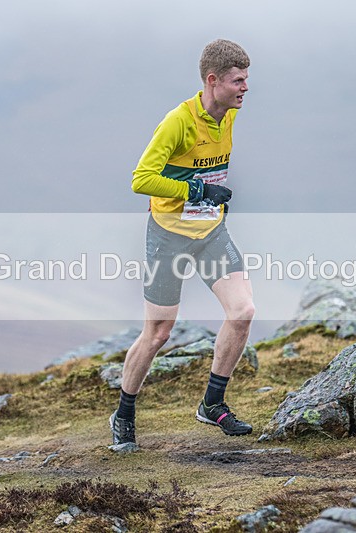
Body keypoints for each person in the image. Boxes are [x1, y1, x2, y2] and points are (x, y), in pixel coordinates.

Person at [109, 39, 254, 446]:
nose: (245, 88)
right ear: (213, 81)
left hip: (209, 233)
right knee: (158, 333)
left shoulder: (227, 115)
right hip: (169, 236)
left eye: (246, 79)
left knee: (242, 312)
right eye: (237, 81)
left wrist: (209, 196)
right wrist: (196, 190)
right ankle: (123, 414)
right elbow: (141, 179)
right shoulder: (178, 121)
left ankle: (212, 404)